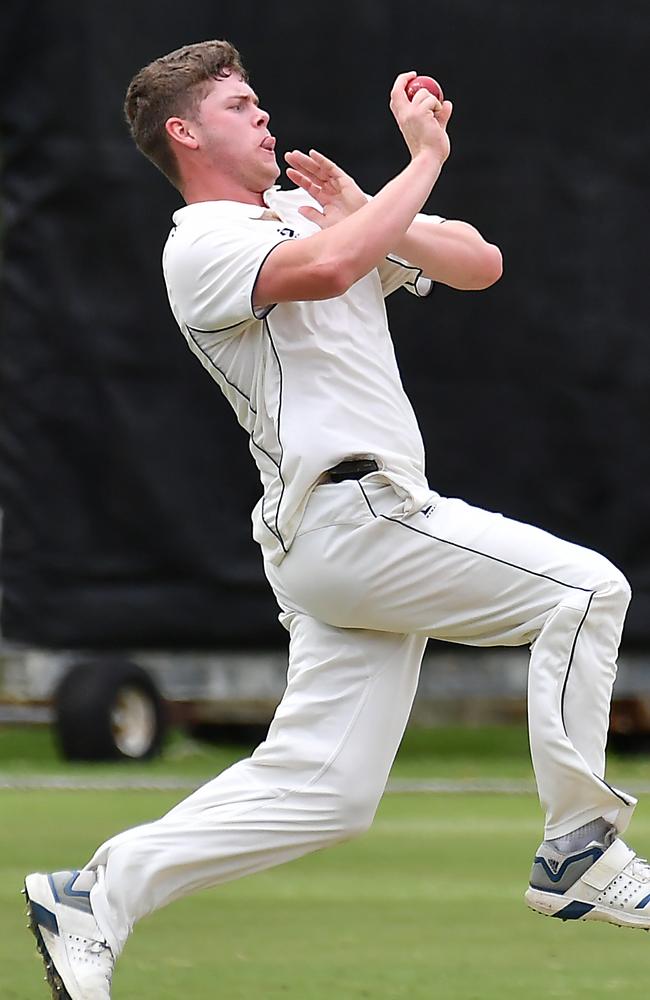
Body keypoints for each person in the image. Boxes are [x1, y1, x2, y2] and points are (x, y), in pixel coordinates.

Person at [24, 38, 649, 1000]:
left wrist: (375, 207)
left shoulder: (310, 214)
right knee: (586, 588)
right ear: (185, 132)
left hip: (347, 537)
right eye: (240, 105)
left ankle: (92, 898)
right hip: (356, 515)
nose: (264, 115)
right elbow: (326, 270)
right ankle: (579, 847)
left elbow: (478, 262)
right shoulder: (201, 243)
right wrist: (420, 166)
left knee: (326, 793)